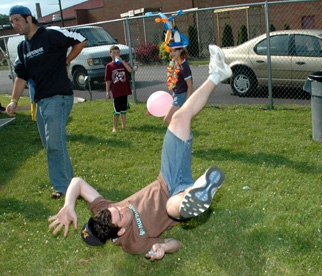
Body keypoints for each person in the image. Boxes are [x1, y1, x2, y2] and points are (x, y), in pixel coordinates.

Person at [48, 45, 232, 260]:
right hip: (176, 198)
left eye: (117, 209)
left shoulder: (105, 210)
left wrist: (68, 205)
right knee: (172, 208)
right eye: (121, 215)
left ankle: (218, 73)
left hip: (166, 178)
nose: (121, 208)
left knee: (179, 118)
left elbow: (77, 182)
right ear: (121, 232)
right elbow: (176, 243)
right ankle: (194, 196)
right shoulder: (134, 243)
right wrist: (164, 248)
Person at [5, 5, 87, 199]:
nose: (14, 24)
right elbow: (20, 77)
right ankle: (68, 183)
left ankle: (65, 188)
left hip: (58, 96)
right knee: (50, 144)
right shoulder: (22, 47)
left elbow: (80, 40)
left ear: (28, 18)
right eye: (11, 22)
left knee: (55, 144)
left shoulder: (50, 33)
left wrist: (66, 62)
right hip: (40, 101)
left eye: (17, 19)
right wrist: (14, 101)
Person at [105, 45, 133, 132]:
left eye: (117, 52)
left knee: (123, 108)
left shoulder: (123, 63)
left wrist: (122, 62)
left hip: (124, 90)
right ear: (110, 54)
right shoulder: (109, 66)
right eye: (113, 53)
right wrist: (107, 91)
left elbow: (130, 70)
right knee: (117, 110)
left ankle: (124, 125)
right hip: (116, 91)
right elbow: (108, 80)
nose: (115, 54)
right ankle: (115, 127)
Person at [163, 47, 192, 125]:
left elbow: (190, 85)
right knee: (178, 119)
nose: (172, 53)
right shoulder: (175, 62)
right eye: (171, 51)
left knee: (167, 119)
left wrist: (187, 102)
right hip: (176, 94)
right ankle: (182, 134)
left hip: (181, 96)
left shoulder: (184, 66)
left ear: (181, 50)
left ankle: (179, 134)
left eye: (175, 51)